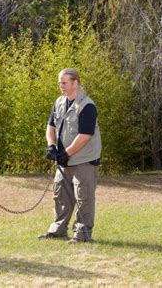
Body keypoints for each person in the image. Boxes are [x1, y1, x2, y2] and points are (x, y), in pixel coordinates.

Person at [39, 68, 101, 244]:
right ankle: (57, 230)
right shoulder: (59, 102)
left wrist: (66, 153)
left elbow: (85, 136)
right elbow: (50, 127)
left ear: (75, 83)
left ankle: (82, 234)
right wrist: (51, 146)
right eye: (60, 82)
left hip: (84, 160)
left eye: (64, 82)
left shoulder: (87, 106)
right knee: (60, 195)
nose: (61, 86)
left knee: (84, 197)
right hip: (64, 160)